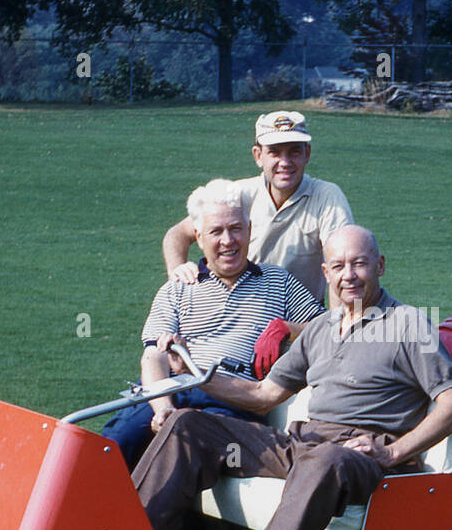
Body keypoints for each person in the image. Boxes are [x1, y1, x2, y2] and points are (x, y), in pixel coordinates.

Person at [133, 225, 452, 530]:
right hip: (304, 443)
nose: (350, 275)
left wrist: (392, 453)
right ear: (326, 272)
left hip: (358, 454)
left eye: (360, 263)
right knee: (189, 425)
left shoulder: (407, 324)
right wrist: (197, 375)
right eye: (339, 265)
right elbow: (263, 395)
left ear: (380, 266)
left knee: (324, 459)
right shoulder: (319, 329)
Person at [102, 179, 325, 468]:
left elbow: (328, 327)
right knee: (117, 440)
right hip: (172, 389)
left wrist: (288, 328)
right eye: (216, 231)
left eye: (235, 229)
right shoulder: (180, 285)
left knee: (185, 443)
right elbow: (153, 356)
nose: (228, 241)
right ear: (198, 235)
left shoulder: (277, 282)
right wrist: (163, 409)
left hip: (233, 400)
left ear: (249, 229)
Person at [161, 110, 352, 301]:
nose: (285, 162)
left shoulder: (327, 197)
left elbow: (344, 266)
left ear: (306, 154)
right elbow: (177, 234)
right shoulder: (237, 194)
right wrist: (178, 270)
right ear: (258, 155)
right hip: (242, 312)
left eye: (294, 151)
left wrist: (337, 325)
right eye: (274, 152)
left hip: (301, 318)